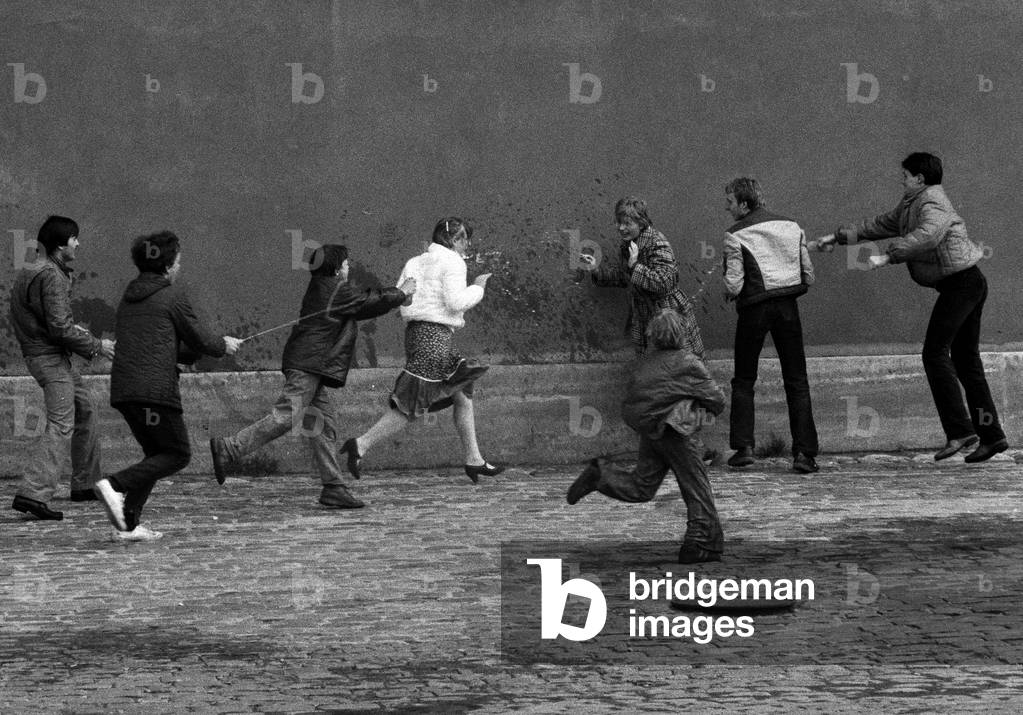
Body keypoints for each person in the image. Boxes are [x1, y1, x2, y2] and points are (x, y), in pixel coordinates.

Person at [819, 152, 1007, 462]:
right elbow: (877, 225)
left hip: (963, 284)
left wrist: (889, 256)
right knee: (965, 360)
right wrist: (836, 237)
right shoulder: (911, 204)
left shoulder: (932, 202)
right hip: (965, 284)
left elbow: (928, 237)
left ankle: (961, 430)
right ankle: (992, 436)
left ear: (919, 179)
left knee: (934, 353)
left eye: (905, 175)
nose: (901, 179)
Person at [209, 244, 414, 509]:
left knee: (323, 425)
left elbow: (361, 304)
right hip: (308, 366)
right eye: (346, 263)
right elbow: (368, 301)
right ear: (337, 268)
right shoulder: (334, 288)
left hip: (311, 366)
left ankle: (333, 487)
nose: (348, 267)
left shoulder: (325, 287)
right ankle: (229, 448)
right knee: (286, 416)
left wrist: (397, 295)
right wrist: (401, 292)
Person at [93, 231, 242, 541]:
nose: (179, 265)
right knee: (177, 453)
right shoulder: (171, 296)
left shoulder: (129, 298)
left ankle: (128, 524)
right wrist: (222, 345)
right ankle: (115, 485)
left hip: (126, 391)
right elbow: (199, 337)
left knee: (156, 453)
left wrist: (199, 349)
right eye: (178, 260)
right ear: (168, 264)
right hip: (154, 392)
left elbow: (167, 344)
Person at [340, 217, 502, 484]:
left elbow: (404, 298)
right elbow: (455, 302)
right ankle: (361, 444)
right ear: (450, 240)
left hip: (416, 334)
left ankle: (474, 459)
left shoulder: (414, 262)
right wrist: (478, 288)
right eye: (463, 238)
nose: (467, 244)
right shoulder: (453, 262)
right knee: (411, 404)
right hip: (434, 339)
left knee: (462, 391)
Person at [566, 309, 726, 564]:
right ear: (680, 333)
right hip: (679, 433)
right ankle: (701, 543)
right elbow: (717, 399)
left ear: (654, 336)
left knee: (642, 486)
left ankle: (601, 476)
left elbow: (633, 402)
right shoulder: (689, 363)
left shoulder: (644, 364)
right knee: (696, 487)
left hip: (652, 434)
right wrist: (695, 412)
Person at [8, 215, 115, 521]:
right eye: (74, 239)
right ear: (60, 244)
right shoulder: (52, 276)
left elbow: (53, 323)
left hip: (47, 355)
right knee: (61, 423)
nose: (78, 243)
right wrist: (97, 346)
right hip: (50, 359)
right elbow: (60, 329)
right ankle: (33, 493)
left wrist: (82, 338)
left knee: (85, 410)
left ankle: (84, 484)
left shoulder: (33, 268)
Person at [721, 177, 820, 474]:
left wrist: (726, 288)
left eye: (730, 203)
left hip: (754, 309)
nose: (727, 208)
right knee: (797, 379)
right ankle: (804, 454)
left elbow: (735, 284)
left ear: (744, 203)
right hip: (788, 307)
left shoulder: (734, 234)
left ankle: (743, 448)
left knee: (744, 379)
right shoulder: (792, 225)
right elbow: (809, 275)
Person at [578, 196, 704, 357]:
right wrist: (596, 269)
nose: (621, 228)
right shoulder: (629, 244)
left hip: (667, 315)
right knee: (653, 364)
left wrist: (635, 266)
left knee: (680, 363)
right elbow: (625, 277)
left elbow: (664, 282)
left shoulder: (656, 242)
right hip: (645, 313)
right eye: (618, 222)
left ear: (641, 223)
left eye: (627, 223)